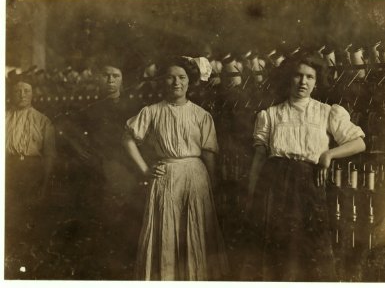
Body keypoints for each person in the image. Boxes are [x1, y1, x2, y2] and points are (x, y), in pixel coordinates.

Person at [244, 51, 366, 281]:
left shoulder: (327, 112)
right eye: (298, 76)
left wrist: (329, 154)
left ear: (316, 81)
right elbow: (259, 158)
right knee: (274, 252)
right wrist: (252, 194)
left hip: (309, 187)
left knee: (310, 250)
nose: (303, 82)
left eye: (310, 77)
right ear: (289, 78)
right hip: (274, 188)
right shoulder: (270, 115)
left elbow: (359, 143)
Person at [123, 57, 228, 280]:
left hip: (195, 177)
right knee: (166, 233)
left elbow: (209, 154)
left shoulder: (201, 115)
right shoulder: (151, 111)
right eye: (170, 77)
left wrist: (213, 184)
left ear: (190, 81)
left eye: (182, 77)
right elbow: (128, 139)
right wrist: (144, 169)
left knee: (195, 230)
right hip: (166, 177)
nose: (176, 82)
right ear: (163, 81)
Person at [56, 64, 142, 279]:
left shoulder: (134, 107)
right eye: (106, 76)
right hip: (96, 171)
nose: (111, 80)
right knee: (99, 219)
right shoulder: (89, 107)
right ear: (97, 79)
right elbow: (65, 130)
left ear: (122, 80)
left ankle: (124, 269)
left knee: (125, 220)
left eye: (116, 76)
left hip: (126, 170)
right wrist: (81, 151)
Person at [5, 80, 56, 278]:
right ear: (11, 94)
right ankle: (11, 267)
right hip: (8, 172)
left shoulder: (43, 121)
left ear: (33, 94)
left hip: (32, 172)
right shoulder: (4, 118)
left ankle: (31, 267)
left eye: (27, 91)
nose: (22, 95)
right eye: (18, 91)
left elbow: (50, 155)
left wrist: (44, 182)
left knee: (31, 219)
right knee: (10, 219)